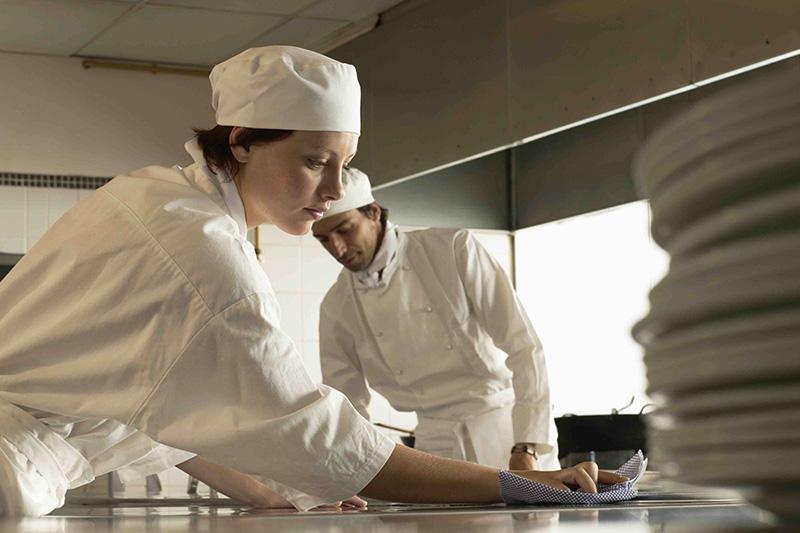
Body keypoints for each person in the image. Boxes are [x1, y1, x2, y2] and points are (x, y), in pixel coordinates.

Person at [0, 46, 623, 517]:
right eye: (314, 161)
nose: (331, 191)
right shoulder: (205, 259)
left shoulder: (147, 194)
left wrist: (272, 494)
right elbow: (316, 432)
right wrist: (516, 484)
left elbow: (177, 416)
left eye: (343, 164)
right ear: (242, 143)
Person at [313, 168, 560, 472]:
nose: (337, 248)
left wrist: (527, 445)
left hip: (507, 434)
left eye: (345, 230)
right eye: (323, 239)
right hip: (434, 448)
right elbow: (347, 405)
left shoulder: (453, 249)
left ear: (373, 213)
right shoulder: (336, 305)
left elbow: (524, 346)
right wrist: (357, 471)